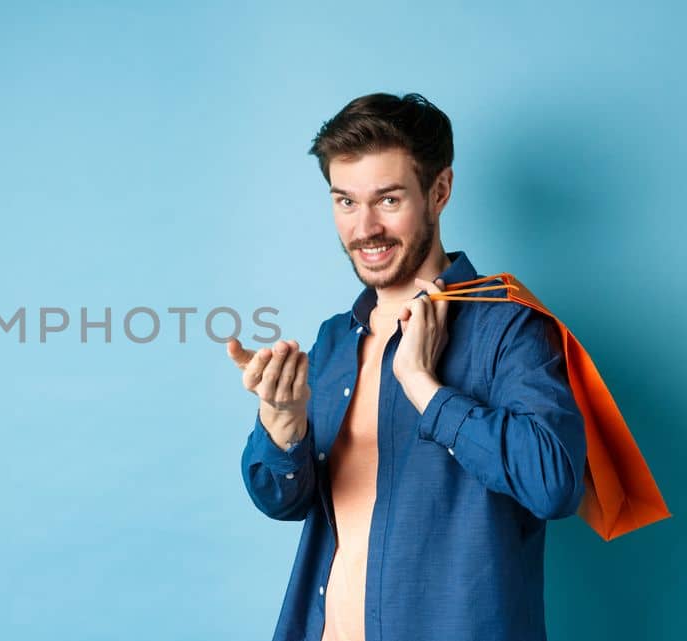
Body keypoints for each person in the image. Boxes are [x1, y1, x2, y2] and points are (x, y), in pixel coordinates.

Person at [226, 93, 587, 641]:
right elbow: (283, 501)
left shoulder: (508, 326)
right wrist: (282, 424)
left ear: (439, 191)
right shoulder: (333, 339)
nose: (364, 228)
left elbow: (555, 485)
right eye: (345, 202)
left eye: (388, 200)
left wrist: (426, 389)